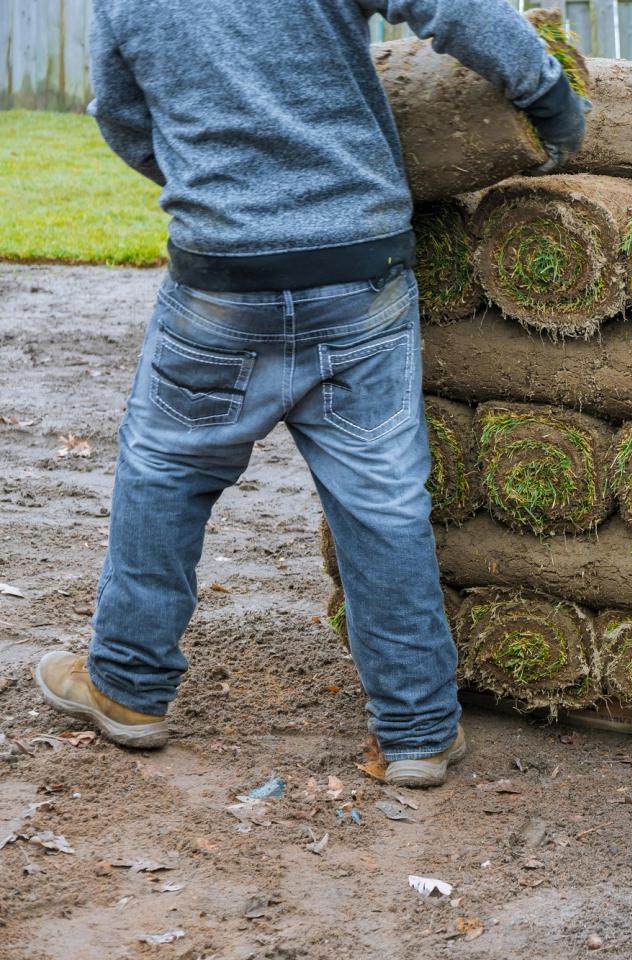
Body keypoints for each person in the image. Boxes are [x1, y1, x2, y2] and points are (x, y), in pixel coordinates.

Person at [32, 0, 588, 789]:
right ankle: (420, 734)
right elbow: (454, 5)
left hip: (220, 280)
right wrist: (549, 94)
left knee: (164, 472)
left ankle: (127, 691)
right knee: (382, 499)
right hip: (357, 269)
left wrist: (218, 185)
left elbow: (121, 117)